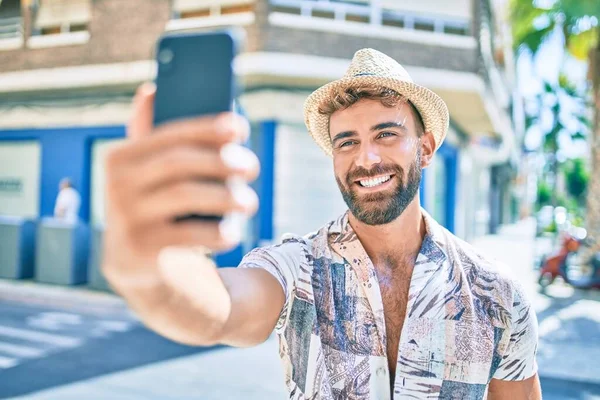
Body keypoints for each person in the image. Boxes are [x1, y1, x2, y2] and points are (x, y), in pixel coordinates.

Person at [102, 49, 541, 399]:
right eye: (347, 141)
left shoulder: (497, 295)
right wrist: (149, 268)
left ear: (425, 148)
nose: (366, 158)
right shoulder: (297, 268)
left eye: (385, 134)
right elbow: (221, 311)